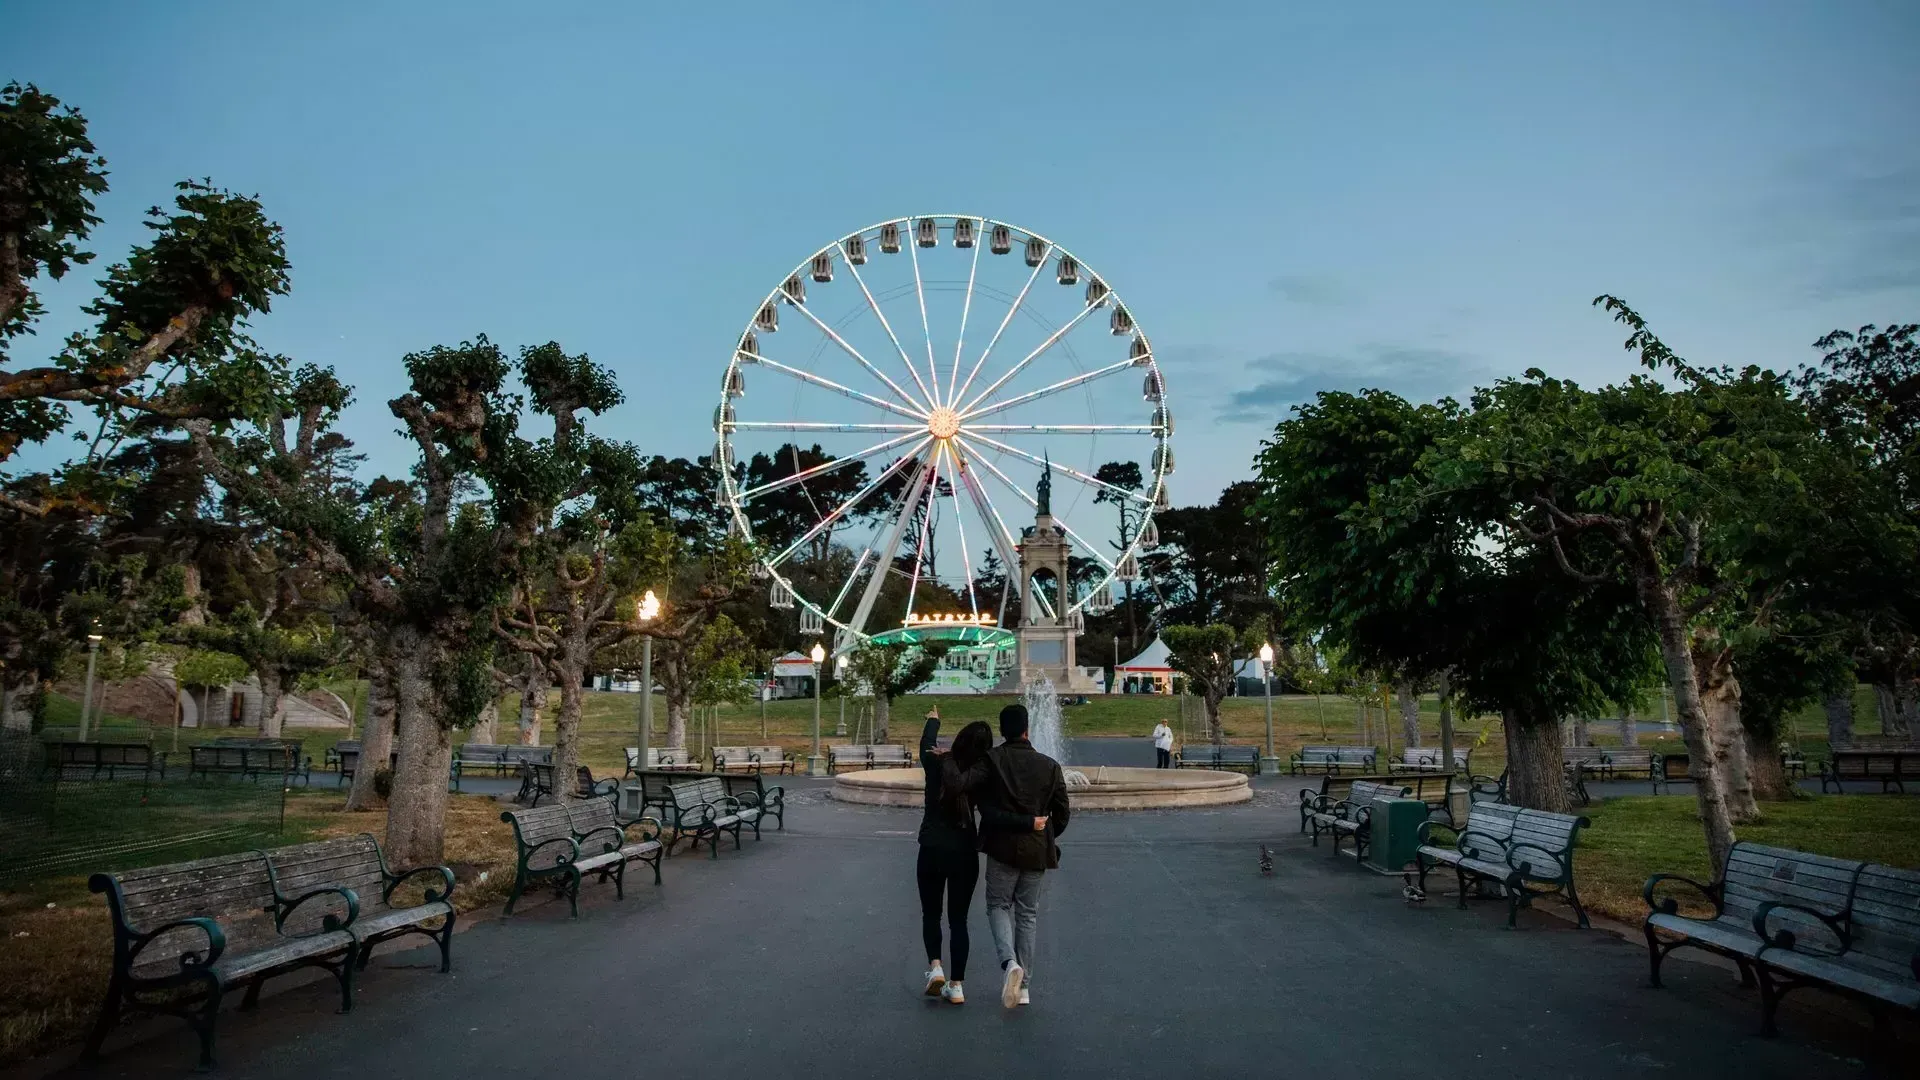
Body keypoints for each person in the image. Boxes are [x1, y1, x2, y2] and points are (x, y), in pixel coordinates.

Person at [978, 703, 1071, 1009]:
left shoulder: (992, 760)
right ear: (1027, 729)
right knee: (1028, 914)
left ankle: (1009, 963)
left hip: (1001, 846)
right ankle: (1026, 985)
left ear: (1002, 730)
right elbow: (1063, 812)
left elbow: (985, 807)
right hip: (1036, 849)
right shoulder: (1050, 765)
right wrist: (1044, 834)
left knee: (998, 905)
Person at [916, 708, 994, 1005]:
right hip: (964, 850)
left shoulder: (935, 761)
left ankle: (935, 967)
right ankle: (957, 985)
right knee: (958, 920)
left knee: (931, 913)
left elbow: (925, 743)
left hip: (932, 845)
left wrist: (933, 720)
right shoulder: (980, 773)